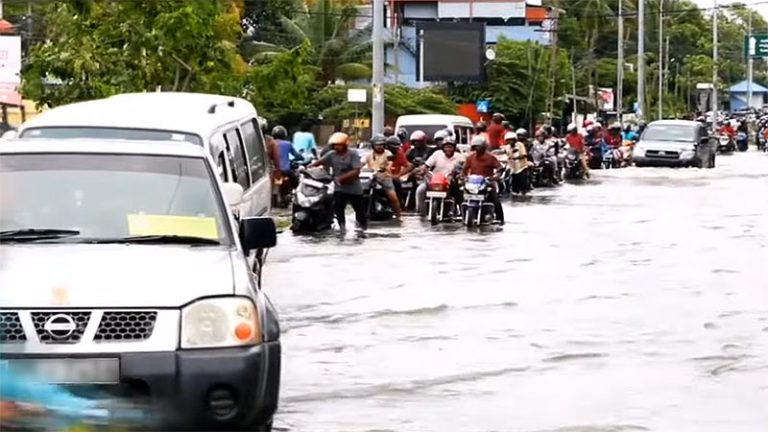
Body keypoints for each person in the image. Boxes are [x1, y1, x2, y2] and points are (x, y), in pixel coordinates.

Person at [309, 132, 367, 231]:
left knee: (359, 210)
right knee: (338, 209)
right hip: (340, 188)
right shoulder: (331, 154)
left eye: (339, 145)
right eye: (335, 145)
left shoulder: (352, 154)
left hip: (354, 187)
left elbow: (356, 170)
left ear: (344, 145)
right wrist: (308, 168)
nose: (336, 147)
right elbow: (320, 162)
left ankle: (362, 227)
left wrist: (341, 178)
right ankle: (342, 227)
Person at [416, 135, 466, 214]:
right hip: (435, 181)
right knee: (421, 189)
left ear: (454, 148)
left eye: (450, 147)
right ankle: (421, 211)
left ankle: (460, 210)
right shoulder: (437, 154)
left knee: (460, 191)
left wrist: (457, 175)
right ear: (443, 148)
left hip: (450, 181)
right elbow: (426, 165)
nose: (448, 149)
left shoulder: (460, 157)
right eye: (446, 147)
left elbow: (463, 169)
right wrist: (422, 170)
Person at [462, 135, 504, 224]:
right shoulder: (471, 157)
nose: (477, 149)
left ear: (484, 147)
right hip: (473, 184)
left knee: (495, 199)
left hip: (487, 183)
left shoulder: (491, 157)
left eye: (479, 147)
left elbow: (499, 168)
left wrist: (496, 176)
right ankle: (461, 214)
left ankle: (500, 219)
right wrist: (464, 177)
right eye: (475, 147)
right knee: (462, 195)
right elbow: (464, 170)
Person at [362, 134, 402, 219]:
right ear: (373, 145)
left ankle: (398, 214)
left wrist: (385, 168)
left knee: (393, 196)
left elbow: (389, 164)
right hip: (371, 178)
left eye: (381, 145)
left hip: (384, 177)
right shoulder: (369, 155)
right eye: (377, 145)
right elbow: (362, 162)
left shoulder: (388, 153)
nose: (379, 147)